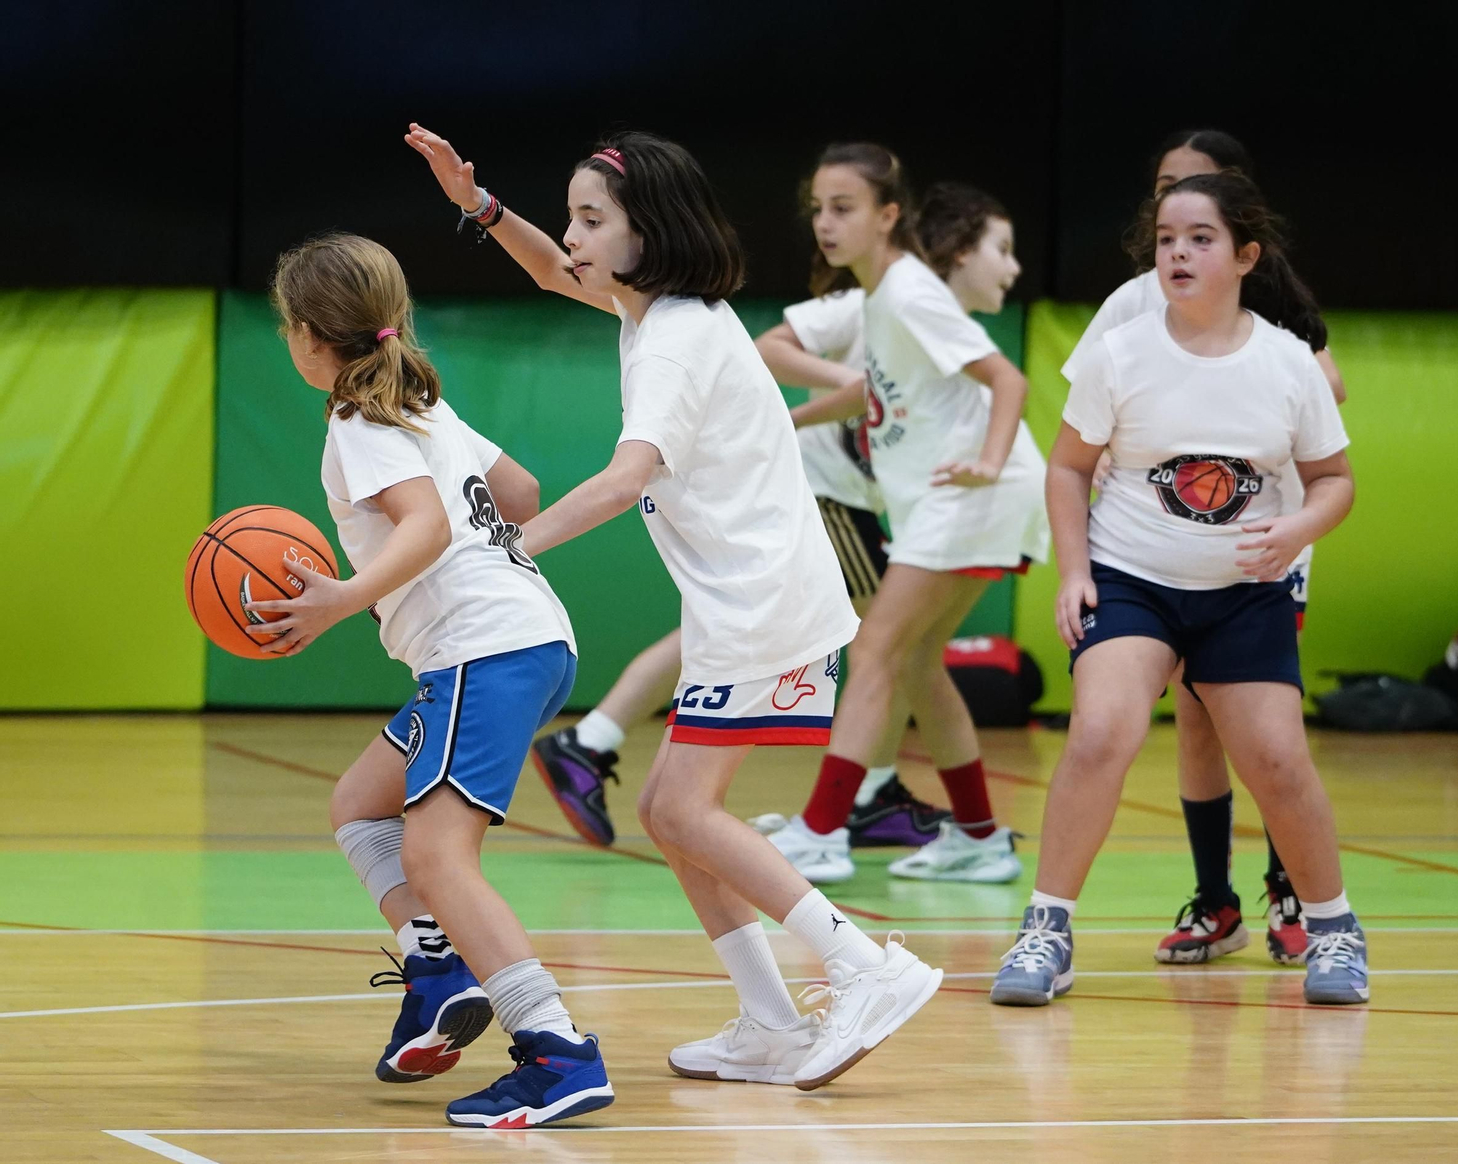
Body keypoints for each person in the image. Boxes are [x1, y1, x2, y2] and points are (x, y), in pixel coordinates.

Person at [405, 124, 943, 1091]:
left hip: (763, 601)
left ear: (647, 231)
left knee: (685, 809)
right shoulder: (658, 312)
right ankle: (771, 1021)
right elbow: (549, 275)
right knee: (666, 807)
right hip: (745, 597)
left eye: (591, 219)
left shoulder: (674, 346)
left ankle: (866, 967)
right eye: (572, 216)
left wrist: (506, 543)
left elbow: (622, 481)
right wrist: (480, 207)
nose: (571, 237)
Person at [254, 232, 612, 1128]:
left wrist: (343, 598)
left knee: (435, 854)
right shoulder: (420, 405)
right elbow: (521, 494)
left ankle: (555, 1048)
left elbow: (426, 529)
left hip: (481, 649)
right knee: (360, 803)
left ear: (306, 336)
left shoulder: (359, 420)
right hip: (532, 640)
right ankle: (437, 969)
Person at [988, 170, 1369, 1009]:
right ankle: (1047, 929)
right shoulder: (1121, 352)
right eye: (1167, 239)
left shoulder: (1285, 363)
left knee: (1276, 759)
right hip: (1133, 579)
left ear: (1245, 255)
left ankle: (1336, 930)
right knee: (1100, 732)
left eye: (1200, 238)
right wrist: (1078, 570)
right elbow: (1066, 468)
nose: (1179, 253)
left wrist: (1298, 529)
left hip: (1242, 592)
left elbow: (1334, 480)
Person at [1063, 129, 1348, 966]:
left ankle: (1294, 889)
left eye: (1198, 200)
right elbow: (1080, 426)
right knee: (1190, 723)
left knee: (1265, 738)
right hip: (1150, 550)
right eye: (1164, 197)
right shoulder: (1130, 308)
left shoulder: (1277, 316)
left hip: (1262, 546)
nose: (1177, 223)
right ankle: (1215, 898)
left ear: (1240, 231)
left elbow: (1325, 388)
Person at [760, 146, 1046, 886]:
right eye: (818, 208)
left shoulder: (912, 291)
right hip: (953, 497)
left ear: (889, 215)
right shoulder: (880, 296)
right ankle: (980, 839)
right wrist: (789, 423)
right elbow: (870, 396)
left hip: (973, 492)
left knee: (879, 647)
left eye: (844, 208)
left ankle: (822, 830)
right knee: (917, 661)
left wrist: (985, 459)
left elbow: (1006, 378)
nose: (825, 223)